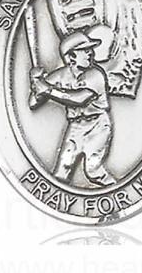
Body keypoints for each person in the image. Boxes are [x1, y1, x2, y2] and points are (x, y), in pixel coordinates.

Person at [29, 31, 116, 187]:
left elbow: (79, 99)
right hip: (75, 128)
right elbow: (33, 103)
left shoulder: (95, 74)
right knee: (61, 172)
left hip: (97, 126)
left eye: (90, 49)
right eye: (84, 50)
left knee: (93, 170)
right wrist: (36, 82)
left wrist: (48, 90)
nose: (90, 53)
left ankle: (115, 190)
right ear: (71, 56)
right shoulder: (60, 76)